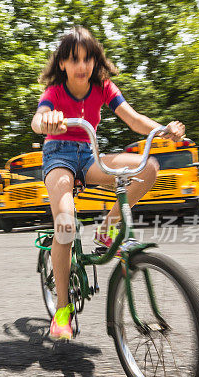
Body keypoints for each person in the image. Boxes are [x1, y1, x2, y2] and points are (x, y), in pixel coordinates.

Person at [31, 26, 184, 341]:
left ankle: (107, 229)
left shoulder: (103, 87)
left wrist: (164, 129)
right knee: (65, 223)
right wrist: (45, 121)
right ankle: (62, 310)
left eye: (87, 59)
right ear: (62, 64)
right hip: (58, 157)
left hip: (89, 156)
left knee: (148, 169)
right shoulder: (55, 93)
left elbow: (133, 118)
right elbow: (39, 118)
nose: (82, 66)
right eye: (74, 59)